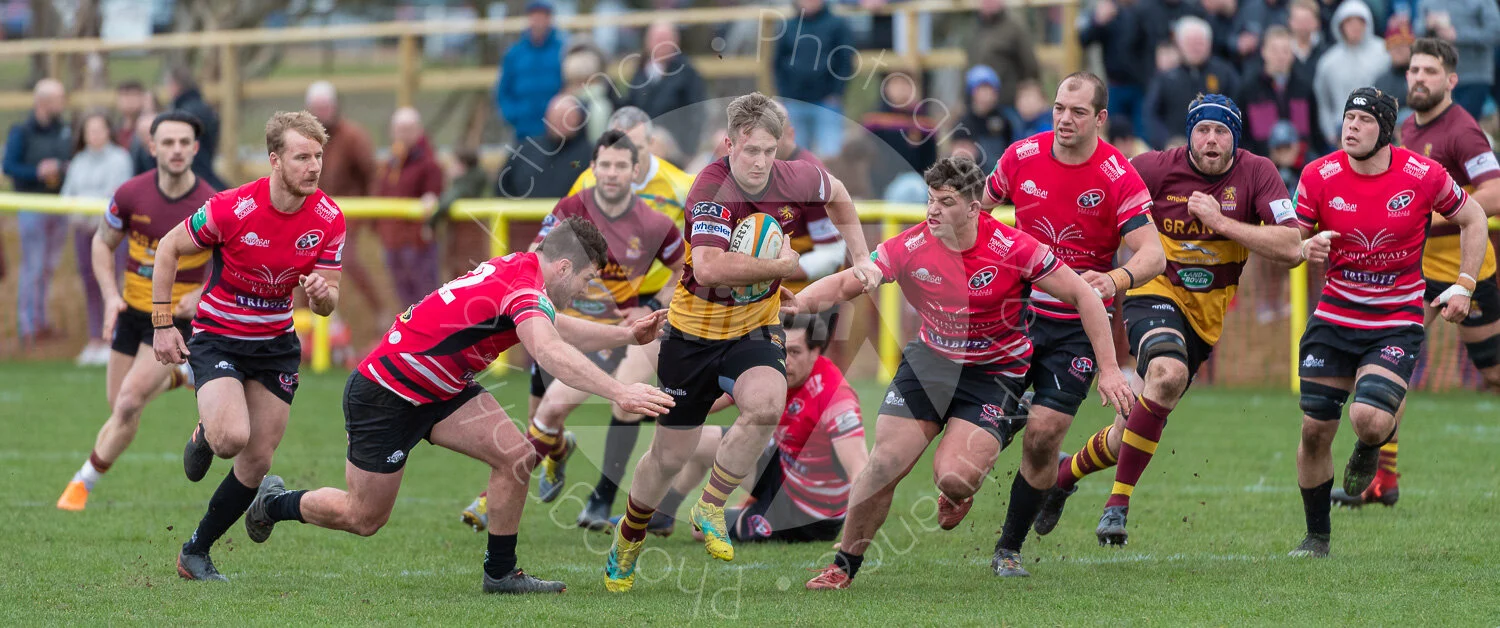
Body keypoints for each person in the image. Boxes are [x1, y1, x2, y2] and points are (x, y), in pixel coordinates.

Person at [243, 218, 675, 594]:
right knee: (364, 517)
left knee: (518, 458)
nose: (584, 291)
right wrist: (619, 391)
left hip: (443, 389)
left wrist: (624, 337)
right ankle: (274, 503)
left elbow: (554, 325)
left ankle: (501, 574)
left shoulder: (523, 270)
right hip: (385, 393)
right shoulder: (526, 287)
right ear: (563, 267)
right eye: (585, 280)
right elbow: (548, 350)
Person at [797, 156, 1133, 589]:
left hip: (993, 377)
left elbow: (1085, 297)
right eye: (930, 200)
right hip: (928, 366)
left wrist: (1108, 370)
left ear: (974, 208)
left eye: (946, 201)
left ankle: (959, 492)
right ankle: (843, 566)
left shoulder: (1014, 247)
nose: (932, 211)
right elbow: (848, 283)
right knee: (883, 464)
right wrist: (797, 305)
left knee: (954, 477)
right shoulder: (911, 245)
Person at [602, 92, 879, 593]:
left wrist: (860, 256)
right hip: (693, 335)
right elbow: (708, 267)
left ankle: (711, 505)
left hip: (755, 326)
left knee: (766, 404)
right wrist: (780, 266)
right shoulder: (710, 189)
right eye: (750, 150)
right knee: (667, 457)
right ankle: (630, 533)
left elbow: (837, 194)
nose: (760, 162)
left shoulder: (794, 174)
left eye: (769, 151)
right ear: (728, 144)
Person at [1030, 95, 1303, 545]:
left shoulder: (1257, 173)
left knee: (1130, 424)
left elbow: (1292, 247)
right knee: (1166, 372)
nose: (1211, 139)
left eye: (1221, 131)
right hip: (1152, 292)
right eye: (1202, 130)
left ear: (1236, 137)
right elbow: (1100, 195)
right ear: (1189, 133)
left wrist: (1223, 222)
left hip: (1206, 317)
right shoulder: (1154, 167)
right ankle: (1117, 504)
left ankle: (1063, 475)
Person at [1288, 86, 1488, 558]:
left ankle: (1371, 446)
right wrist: (1302, 247)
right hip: (1335, 316)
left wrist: (1465, 283)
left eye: (1363, 120)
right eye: (1347, 118)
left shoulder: (1422, 174)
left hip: (1396, 319)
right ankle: (1317, 537)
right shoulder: (1318, 174)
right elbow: (1290, 239)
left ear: (1385, 129)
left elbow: (1474, 218)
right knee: (1314, 431)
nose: (1351, 127)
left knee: (1370, 420)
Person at [981, 72, 1166, 576]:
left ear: (1100, 118)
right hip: (1015, 316)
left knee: (1043, 436)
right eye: (1060, 107)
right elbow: (976, 214)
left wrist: (1114, 279)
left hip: (1076, 327)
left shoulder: (1117, 174)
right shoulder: (1020, 156)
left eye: (1078, 111)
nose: (1064, 118)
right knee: (978, 436)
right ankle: (1003, 426)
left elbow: (1154, 255)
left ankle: (1008, 549)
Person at [150, 111, 347, 581]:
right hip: (219, 335)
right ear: (275, 160)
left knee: (258, 459)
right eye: (302, 156)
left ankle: (195, 551)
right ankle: (206, 431)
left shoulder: (329, 218)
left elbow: (329, 301)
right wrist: (162, 324)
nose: (314, 166)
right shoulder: (232, 208)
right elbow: (167, 249)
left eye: (318, 156)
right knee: (231, 439)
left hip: (276, 345)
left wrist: (323, 297)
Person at [459, 131, 686, 531]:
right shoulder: (572, 208)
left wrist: (651, 306)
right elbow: (536, 256)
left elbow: (685, 269)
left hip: (604, 338)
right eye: (605, 165)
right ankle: (559, 451)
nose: (612, 173)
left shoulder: (654, 224)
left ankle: (487, 499)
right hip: (556, 327)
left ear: (635, 171)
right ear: (593, 168)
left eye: (621, 165)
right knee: (542, 422)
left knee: (548, 413)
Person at [1331, 39, 1500, 508]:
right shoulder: (1402, 126)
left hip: (1468, 273)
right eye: (1414, 70)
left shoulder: (1462, 132)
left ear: (1451, 81)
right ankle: (1382, 479)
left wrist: (1433, 211)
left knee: (1494, 375)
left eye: (1431, 71)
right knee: (1391, 368)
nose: (1419, 78)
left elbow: (1495, 194)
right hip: (1416, 277)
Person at [55, 112, 215, 512]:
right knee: (120, 408)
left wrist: (201, 291)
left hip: (175, 320)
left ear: (195, 148)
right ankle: (181, 376)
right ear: (152, 147)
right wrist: (110, 295)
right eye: (168, 142)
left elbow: (235, 261)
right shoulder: (130, 194)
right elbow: (101, 243)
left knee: (127, 403)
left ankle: (81, 484)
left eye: (184, 143)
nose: (176, 150)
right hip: (131, 313)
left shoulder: (213, 203)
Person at [640, 313, 867, 542]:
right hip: (782, 470)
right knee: (700, 438)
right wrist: (661, 404)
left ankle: (757, 511)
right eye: (782, 349)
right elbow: (704, 404)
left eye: (795, 352)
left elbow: (859, 467)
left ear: (816, 352)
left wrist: (853, 537)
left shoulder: (836, 398)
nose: (785, 359)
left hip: (808, 513)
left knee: (700, 532)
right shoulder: (775, 374)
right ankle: (663, 513)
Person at [304, 81, 386, 326]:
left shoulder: (353, 137)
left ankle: (379, 311)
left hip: (349, 214)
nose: (322, 112)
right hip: (313, 214)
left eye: (326, 106)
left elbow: (372, 176)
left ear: (335, 106)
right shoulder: (303, 139)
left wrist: (372, 216)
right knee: (300, 264)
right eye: (317, 107)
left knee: (346, 258)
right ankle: (303, 325)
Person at [61, 112, 135, 366]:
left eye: (98, 129)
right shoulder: (78, 161)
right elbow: (67, 194)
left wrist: (87, 203)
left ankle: (112, 337)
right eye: (88, 130)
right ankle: (94, 339)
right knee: (90, 283)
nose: (93, 135)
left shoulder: (119, 158)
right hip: (83, 229)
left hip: (111, 233)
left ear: (107, 131)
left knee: (112, 283)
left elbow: (117, 193)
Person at [3, 78, 72, 351]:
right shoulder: (21, 131)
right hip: (32, 206)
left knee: (47, 267)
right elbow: (9, 166)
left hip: (59, 206)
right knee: (33, 267)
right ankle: (28, 326)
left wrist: (61, 167)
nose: (62, 104)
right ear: (43, 101)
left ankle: (41, 321)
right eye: (58, 98)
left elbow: (72, 160)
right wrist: (37, 173)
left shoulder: (63, 131)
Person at [375, 107, 445, 310]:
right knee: (404, 298)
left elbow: (434, 194)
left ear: (419, 130)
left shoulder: (428, 162)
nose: (403, 134)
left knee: (426, 297)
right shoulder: (391, 162)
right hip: (393, 242)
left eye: (408, 128)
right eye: (399, 129)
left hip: (418, 243)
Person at [1143, 17, 1242, 149]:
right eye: (1190, 42)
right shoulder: (1166, 77)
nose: (1195, 47)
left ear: (1209, 44)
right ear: (1179, 44)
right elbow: (1151, 114)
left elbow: (1239, 108)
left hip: (1216, 150)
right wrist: (1166, 141)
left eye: (1200, 42)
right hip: (1175, 151)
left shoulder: (1225, 73)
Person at [773, 0, 854, 158]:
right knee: (796, 159)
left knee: (831, 158)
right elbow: (777, 62)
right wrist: (783, 94)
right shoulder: (788, 26)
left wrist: (837, 93)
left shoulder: (838, 25)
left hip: (827, 103)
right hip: (794, 103)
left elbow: (845, 61)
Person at [621, 21, 707, 154]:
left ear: (675, 42)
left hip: (675, 143)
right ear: (647, 42)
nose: (661, 44)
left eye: (666, 39)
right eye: (657, 39)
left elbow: (696, 114)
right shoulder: (640, 71)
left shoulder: (687, 72)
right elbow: (631, 106)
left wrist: (689, 150)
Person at [1313, 0, 1389, 148]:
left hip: (1377, 130)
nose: (1355, 27)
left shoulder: (1383, 53)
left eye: (1359, 22)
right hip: (1340, 133)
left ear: (1367, 24)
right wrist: (1329, 133)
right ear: (1340, 26)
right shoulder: (1328, 62)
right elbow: (1323, 101)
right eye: (1349, 22)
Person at [1239, 26, 1323, 156]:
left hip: (1301, 165)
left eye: (1285, 51)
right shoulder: (1249, 91)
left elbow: (1315, 133)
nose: (1280, 56)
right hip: (1261, 166)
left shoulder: (1304, 89)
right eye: (1274, 50)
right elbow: (1243, 137)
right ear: (1263, 52)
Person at [1411, 0, 1500, 119]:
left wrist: (1458, 35)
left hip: (1474, 77)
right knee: (1439, 130)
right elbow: (1417, 31)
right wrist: (1427, 25)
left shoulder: (1483, 2)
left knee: (1463, 127)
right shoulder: (1427, 2)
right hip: (1439, 79)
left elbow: (1495, 32)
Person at [497, 94, 592, 200]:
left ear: (579, 120)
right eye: (556, 117)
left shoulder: (591, 155)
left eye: (567, 118)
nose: (560, 122)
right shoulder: (526, 149)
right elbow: (502, 189)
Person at [496, 0, 564, 143]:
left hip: (556, 132)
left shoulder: (562, 51)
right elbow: (503, 91)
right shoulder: (514, 54)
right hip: (524, 132)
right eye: (535, 16)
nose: (538, 22)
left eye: (543, 16)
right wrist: (514, 116)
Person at [965, 0, 1040, 108]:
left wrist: (1025, 96)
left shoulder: (1014, 28)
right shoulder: (974, 29)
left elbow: (1030, 66)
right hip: (977, 106)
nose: (988, 2)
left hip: (1007, 103)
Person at [163, 66, 226, 190]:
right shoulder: (206, 107)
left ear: (174, 84)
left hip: (196, 174)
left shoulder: (181, 113)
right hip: (206, 170)